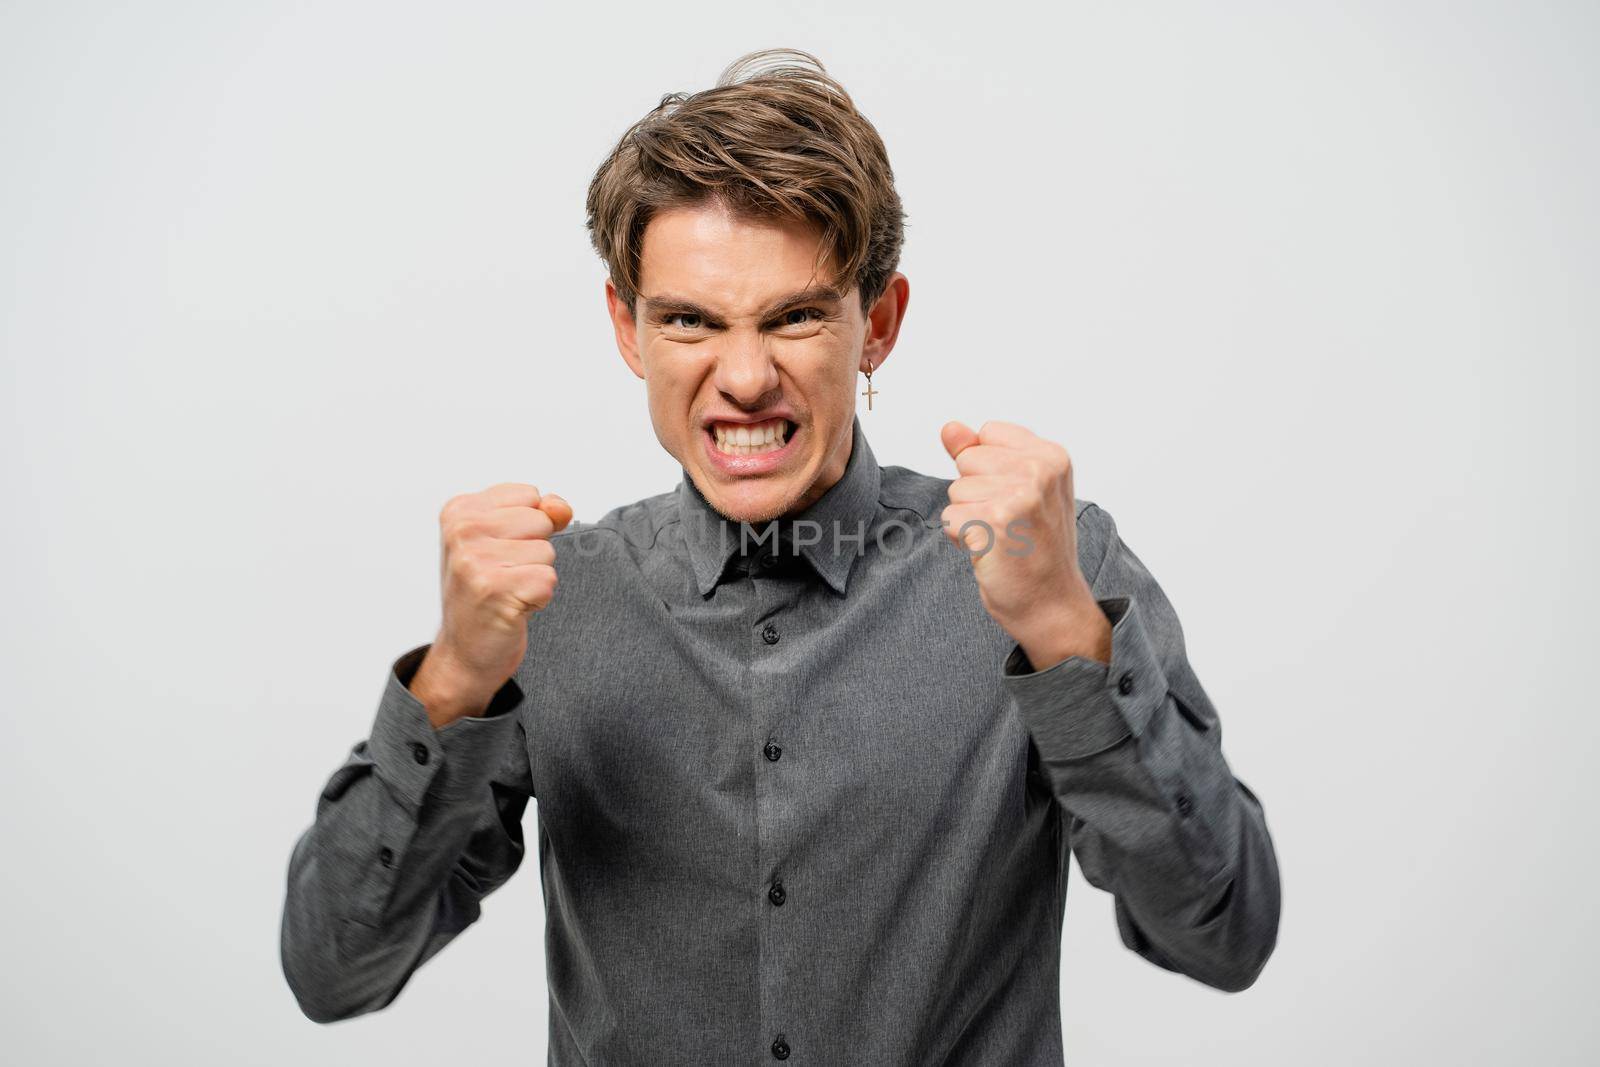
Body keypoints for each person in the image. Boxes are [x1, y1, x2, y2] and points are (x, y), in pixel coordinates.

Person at [280, 47, 1280, 1064]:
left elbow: (1221, 933)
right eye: (689, 321)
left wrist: (1066, 631)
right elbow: (335, 970)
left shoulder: (1040, 565)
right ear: (629, 329)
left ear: (876, 323)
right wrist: (451, 681)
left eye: (795, 315)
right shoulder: (550, 605)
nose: (745, 377)